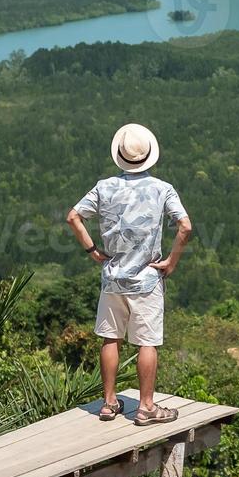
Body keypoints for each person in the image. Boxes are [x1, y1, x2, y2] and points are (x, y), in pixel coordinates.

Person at [66, 122, 193, 425]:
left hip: (112, 278)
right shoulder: (162, 189)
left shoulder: (104, 187)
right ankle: (146, 407)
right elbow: (185, 226)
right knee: (146, 343)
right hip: (148, 280)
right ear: (149, 155)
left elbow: (73, 217)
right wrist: (172, 261)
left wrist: (93, 251)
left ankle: (109, 404)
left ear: (120, 156)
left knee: (111, 339)